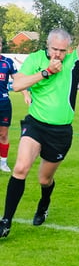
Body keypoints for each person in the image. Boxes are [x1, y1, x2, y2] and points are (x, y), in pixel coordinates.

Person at [0, 0, 79, 238]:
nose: (57, 54)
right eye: (53, 49)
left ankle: (44, 204)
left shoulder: (72, 62)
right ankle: (5, 221)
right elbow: (17, 86)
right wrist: (45, 72)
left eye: (61, 50)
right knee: (21, 168)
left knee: (44, 179)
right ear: (47, 46)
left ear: (67, 49)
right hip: (35, 125)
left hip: (60, 132)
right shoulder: (36, 60)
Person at [0, 41, 30, 172]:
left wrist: (26, 94)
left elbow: (18, 80)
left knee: (3, 134)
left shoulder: (8, 62)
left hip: (4, 103)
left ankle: (3, 162)